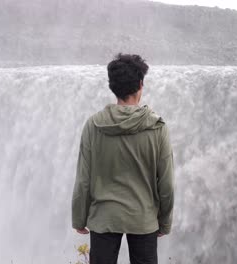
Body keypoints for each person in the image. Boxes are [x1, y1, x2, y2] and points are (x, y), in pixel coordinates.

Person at [71, 53, 174, 264]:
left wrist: (79, 218)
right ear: (140, 84)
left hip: (103, 217)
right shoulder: (157, 127)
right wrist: (164, 222)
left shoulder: (93, 125)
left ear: (113, 86)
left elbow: (83, 179)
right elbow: (167, 183)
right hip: (144, 219)